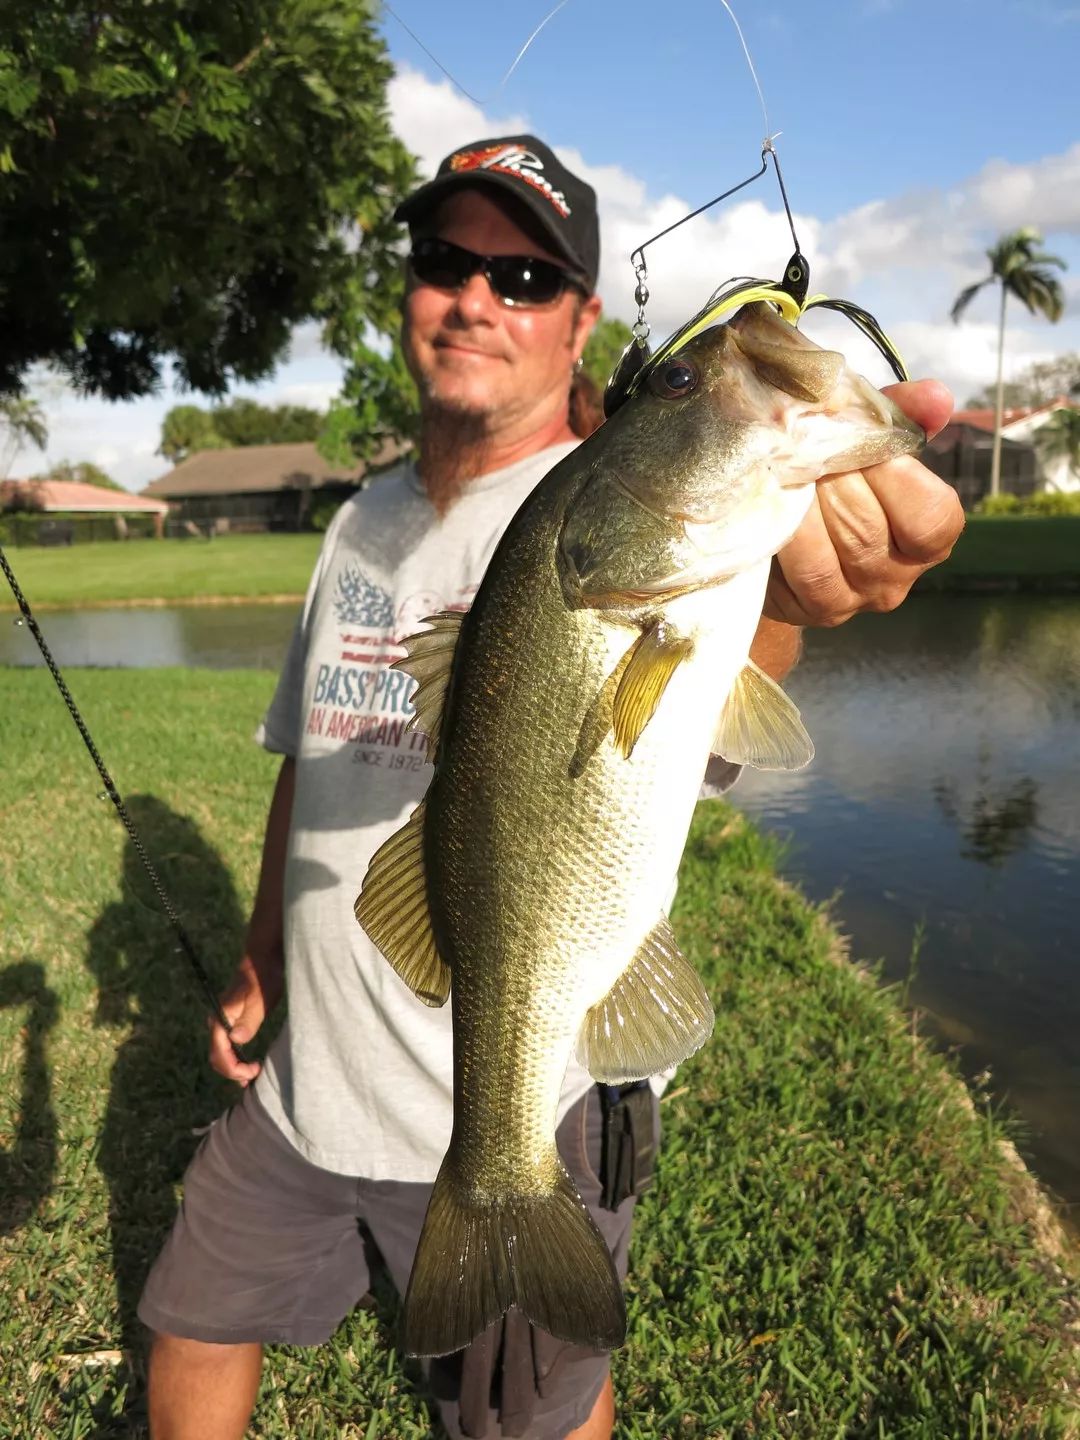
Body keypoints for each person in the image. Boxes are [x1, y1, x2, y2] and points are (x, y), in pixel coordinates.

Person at [138, 135, 963, 1440]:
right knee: (189, 1314)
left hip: (535, 1104)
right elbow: (314, 756)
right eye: (447, 261)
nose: (475, 296)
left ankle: (502, 1190)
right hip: (310, 1086)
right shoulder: (359, 521)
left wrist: (797, 590)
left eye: (523, 277)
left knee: (535, 1405)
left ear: (584, 321)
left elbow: (731, 663)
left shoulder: (587, 515)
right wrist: (259, 954)